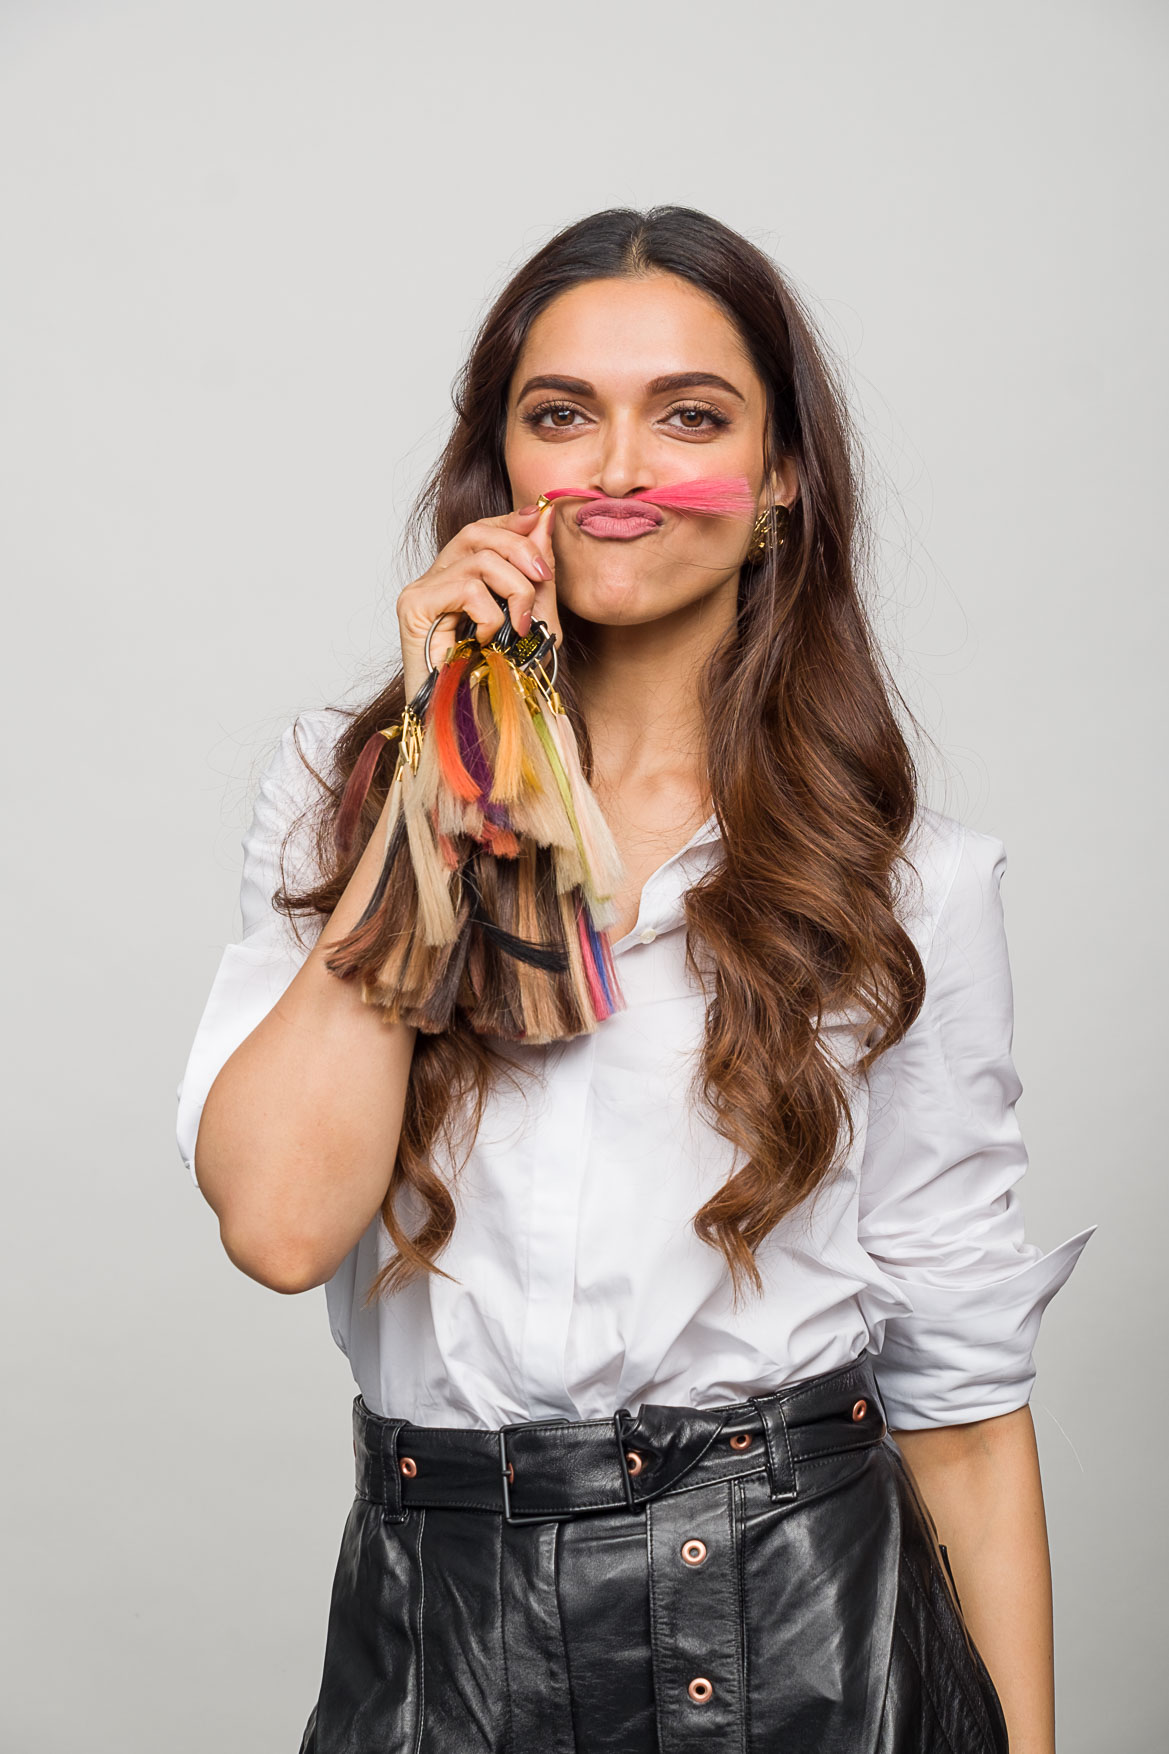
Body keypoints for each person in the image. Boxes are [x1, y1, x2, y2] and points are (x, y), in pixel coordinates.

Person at [176, 205, 1094, 1753]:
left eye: (688, 415)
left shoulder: (904, 878)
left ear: (782, 473)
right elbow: (277, 1224)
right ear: (502, 471)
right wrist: (428, 800)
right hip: (443, 1633)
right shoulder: (345, 806)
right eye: (560, 416)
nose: (615, 468)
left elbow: (962, 1402)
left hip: (806, 1619)